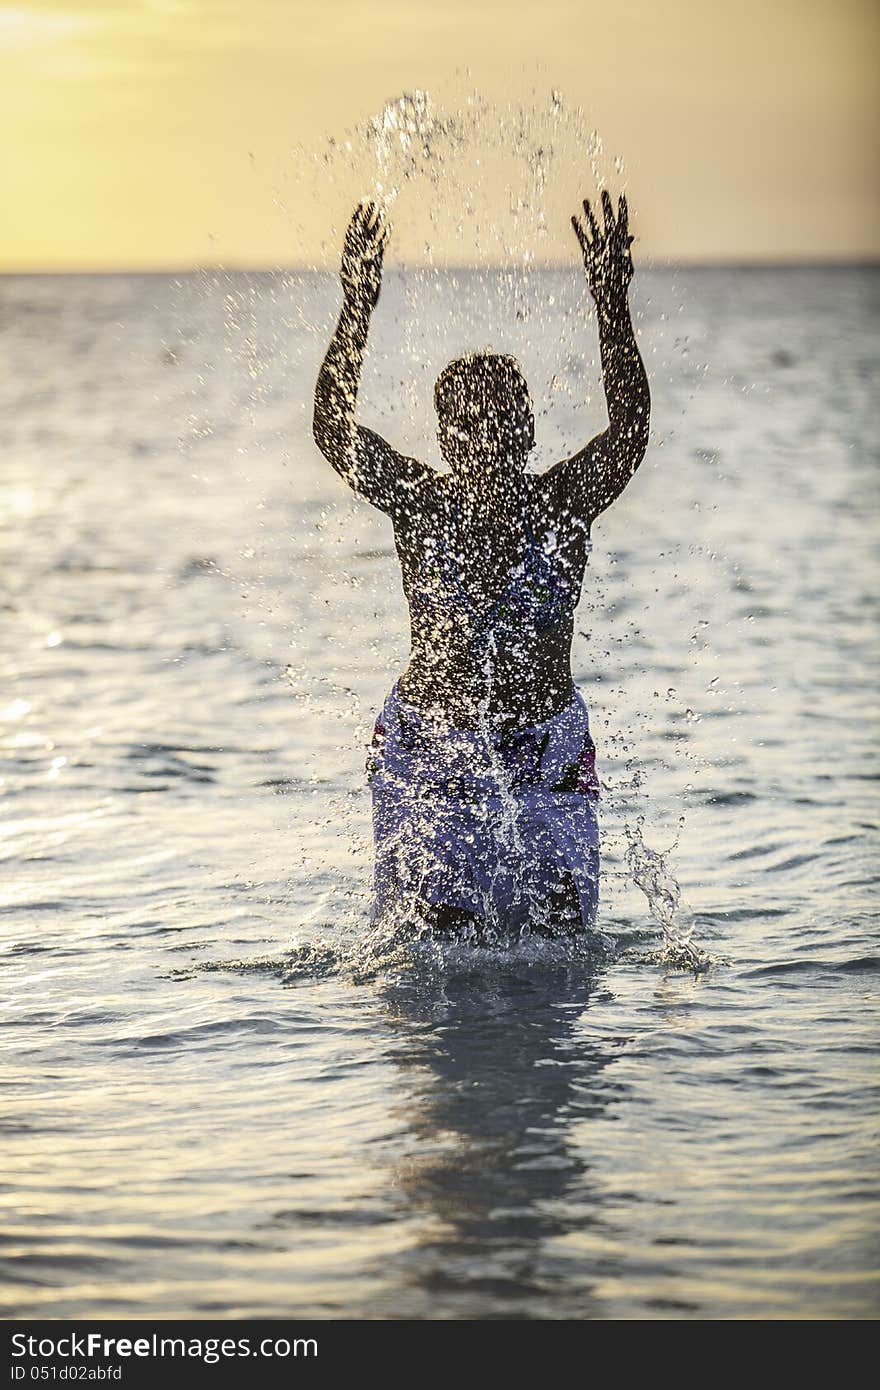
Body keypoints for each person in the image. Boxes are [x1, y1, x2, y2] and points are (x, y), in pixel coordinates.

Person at [313, 191, 650, 943]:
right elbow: (333, 432)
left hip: (548, 755)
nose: (485, 433)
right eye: (465, 421)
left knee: (560, 943)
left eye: (502, 415)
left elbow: (629, 430)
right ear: (442, 435)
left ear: (529, 426)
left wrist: (611, 304)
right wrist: (357, 305)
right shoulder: (420, 504)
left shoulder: (564, 503)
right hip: (430, 752)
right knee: (440, 947)